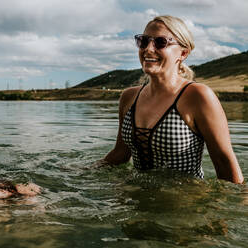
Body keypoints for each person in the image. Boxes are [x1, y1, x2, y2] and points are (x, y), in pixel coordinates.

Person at [103, 15, 244, 184]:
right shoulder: (129, 97)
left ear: (183, 53)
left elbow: (225, 165)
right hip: (134, 200)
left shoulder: (197, 96)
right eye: (143, 41)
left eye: (160, 42)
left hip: (184, 204)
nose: (148, 49)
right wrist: (76, 172)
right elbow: (120, 154)